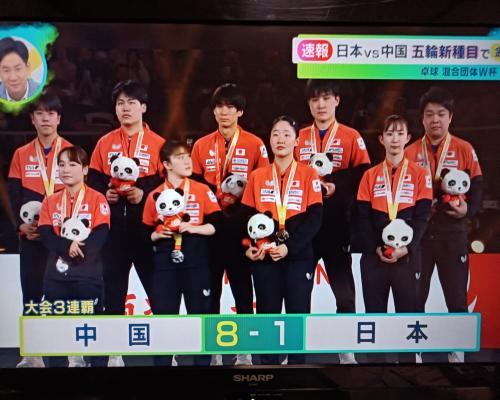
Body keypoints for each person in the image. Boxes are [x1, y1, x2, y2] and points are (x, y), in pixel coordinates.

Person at [87, 80, 165, 367]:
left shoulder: (159, 144)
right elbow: (93, 181)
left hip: (146, 232)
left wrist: (144, 192)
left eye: (132, 102)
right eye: (120, 103)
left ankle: (164, 355)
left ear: (143, 107)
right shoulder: (104, 143)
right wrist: (103, 194)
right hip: (113, 235)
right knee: (113, 294)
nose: (125, 108)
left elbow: (168, 184)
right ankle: (113, 354)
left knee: (159, 295)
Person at [190, 83, 269, 365]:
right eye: (219, 106)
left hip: (241, 228)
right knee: (210, 292)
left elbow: (263, 186)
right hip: (212, 229)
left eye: (230, 107)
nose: (224, 112)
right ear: (213, 111)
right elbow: (194, 187)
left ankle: (244, 351)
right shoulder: (201, 145)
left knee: (243, 292)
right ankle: (212, 351)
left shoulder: (255, 144)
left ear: (240, 112)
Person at [294, 79, 370, 364]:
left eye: (326, 98)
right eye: (315, 99)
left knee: (344, 292)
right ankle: (296, 349)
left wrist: (336, 184)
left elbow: (363, 174)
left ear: (337, 100)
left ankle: (345, 348)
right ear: (308, 104)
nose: (321, 104)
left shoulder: (351, 136)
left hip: (337, 225)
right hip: (304, 227)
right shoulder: (298, 136)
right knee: (298, 291)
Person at [405, 87, 483, 363]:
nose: (435, 119)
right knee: (416, 296)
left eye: (441, 114)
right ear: (422, 119)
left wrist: (467, 211)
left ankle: (457, 355)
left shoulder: (464, 148)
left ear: (450, 117)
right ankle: (413, 355)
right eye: (429, 114)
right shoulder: (410, 151)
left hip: (453, 233)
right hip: (420, 235)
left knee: (456, 296)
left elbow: (478, 187)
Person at [241, 115, 323, 365]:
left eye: (287, 134)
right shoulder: (257, 176)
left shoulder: (309, 174)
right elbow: (245, 218)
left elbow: (315, 220)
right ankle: (268, 369)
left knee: (298, 314)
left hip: (298, 258)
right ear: (269, 139)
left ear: (297, 141)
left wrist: (289, 247)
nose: (281, 139)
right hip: (265, 258)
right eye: (276, 134)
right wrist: (250, 247)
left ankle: (298, 369)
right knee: (267, 315)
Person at [356, 115, 432, 363]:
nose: (395, 139)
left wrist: (407, 249)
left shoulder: (420, 174)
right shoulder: (370, 175)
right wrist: (376, 248)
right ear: (381, 139)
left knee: (407, 318)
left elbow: (423, 217)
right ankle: (373, 372)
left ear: (408, 138)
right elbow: (362, 217)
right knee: (374, 318)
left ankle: (409, 372)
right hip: (374, 259)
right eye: (390, 134)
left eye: (400, 133)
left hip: (407, 259)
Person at [143, 140, 222, 366]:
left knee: (200, 318)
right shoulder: (155, 195)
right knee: (164, 320)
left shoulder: (201, 189)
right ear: (167, 164)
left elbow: (217, 225)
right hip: (165, 266)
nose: (187, 161)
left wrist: (194, 228)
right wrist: (157, 235)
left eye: (188, 156)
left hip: (196, 263)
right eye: (180, 157)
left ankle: (203, 367)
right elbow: (144, 233)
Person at [7, 91, 72, 368]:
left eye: (51, 113)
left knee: (66, 295)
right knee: (32, 294)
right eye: (40, 113)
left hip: (61, 238)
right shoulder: (21, 154)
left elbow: (78, 194)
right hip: (32, 237)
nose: (46, 118)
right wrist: (20, 226)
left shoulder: (71, 152)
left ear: (59, 119)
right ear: (32, 119)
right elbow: (13, 195)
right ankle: (32, 354)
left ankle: (70, 353)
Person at [38, 146, 110, 367]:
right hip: (56, 278)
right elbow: (46, 234)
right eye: (61, 165)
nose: (65, 169)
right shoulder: (50, 201)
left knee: (94, 330)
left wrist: (78, 252)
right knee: (56, 332)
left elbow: (100, 233)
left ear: (85, 169)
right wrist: (67, 246)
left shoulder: (97, 198)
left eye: (72, 164)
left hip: (87, 275)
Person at [0, 37, 40, 101]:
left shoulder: (42, 93)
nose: (13, 77)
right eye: (6, 70)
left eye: (18, 69)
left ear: (28, 68)